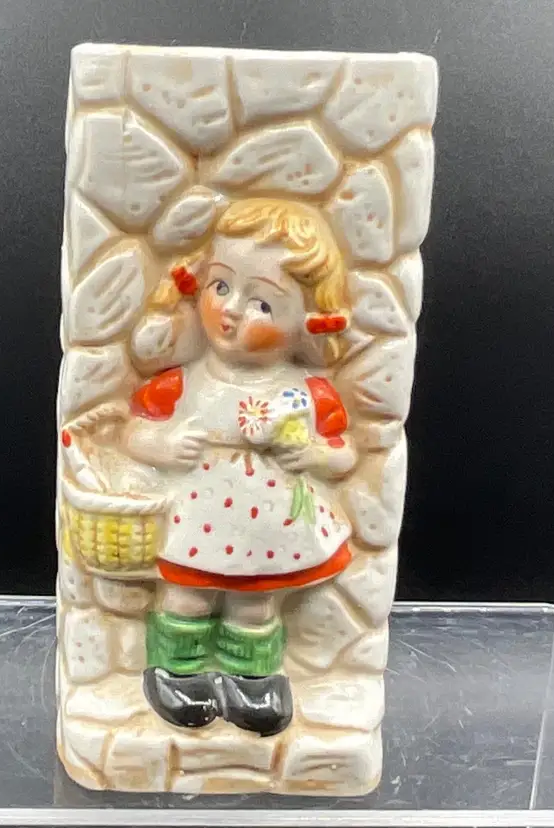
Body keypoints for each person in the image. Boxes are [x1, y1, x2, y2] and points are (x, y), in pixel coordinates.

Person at [121, 198, 357, 736]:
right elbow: (134, 432)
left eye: (263, 304)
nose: (230, 310)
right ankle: (177, 672)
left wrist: (316, 454)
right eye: (221, 286)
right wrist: (164, 444)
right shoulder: (186, 382)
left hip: (270, 529)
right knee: (188, 596)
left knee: (255, 603)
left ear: (306, 323)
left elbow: (343, 452)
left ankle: (252, 680)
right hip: (199, 523)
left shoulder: (305, 391)